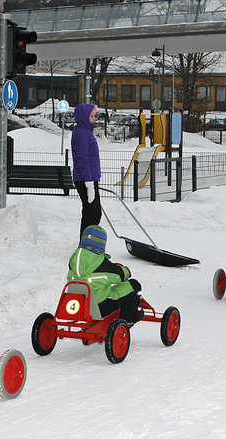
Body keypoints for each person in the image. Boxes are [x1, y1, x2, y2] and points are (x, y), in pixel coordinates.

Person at [67, 225, 144, 324]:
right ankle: (129, 319)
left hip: (78, 304)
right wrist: (126, 271)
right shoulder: (102, 263)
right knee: (134, 285)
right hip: (101, 306)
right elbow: (119, 276)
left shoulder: (73, 260)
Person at [71, 103, 102, 238]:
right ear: (84, 117)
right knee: (91, 213)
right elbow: (82, 159)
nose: (94, 119)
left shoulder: (86, 132)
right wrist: (88, 182)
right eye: (92, 116)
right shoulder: (81, 133)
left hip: (90, 178)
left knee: (95, 212)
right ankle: (85, 243)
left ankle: (89, 240)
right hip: (85, 179)